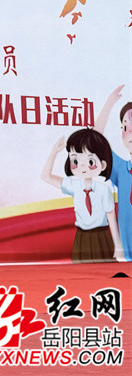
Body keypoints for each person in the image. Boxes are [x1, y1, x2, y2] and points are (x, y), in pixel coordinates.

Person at [40, 128, 123, 263]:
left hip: (101, 236)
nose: (82, 166)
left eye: (90, 161)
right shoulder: (73, 185)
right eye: (75, 161)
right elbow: (45, 176)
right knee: (80, 272)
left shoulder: (103, 189)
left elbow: (111, 216)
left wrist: (118, 245)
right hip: (81, 237)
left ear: (102, 165)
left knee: (105, 270)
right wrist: (54, 151)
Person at [96, 84, 132, 262]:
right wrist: (109, 103)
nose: (130, 131)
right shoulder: (121, 169)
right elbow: (96, 140)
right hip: (127, 255)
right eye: (125, 127)